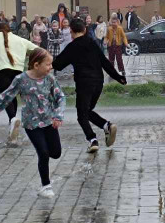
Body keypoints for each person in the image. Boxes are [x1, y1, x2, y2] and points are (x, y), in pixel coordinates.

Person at [0, 48, 65, 199]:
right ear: (36, 65)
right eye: (48, 64)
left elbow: (61, 97)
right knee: (43, 153)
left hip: (49, 121)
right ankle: (46, 186)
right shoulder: (21, 79)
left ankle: (46, 180)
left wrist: (58, 116)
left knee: (56, 153)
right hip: (31, 124)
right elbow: (6, 96)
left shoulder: (50, 79)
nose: (50, 67)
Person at [53, 17, 127, 153]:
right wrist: (118, 77)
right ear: (85, 30)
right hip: (98, 82)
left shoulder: (72, 47)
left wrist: (48, 59)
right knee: (86, 111)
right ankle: (106, 126)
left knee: (82, 115)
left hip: (84, 83)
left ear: (71, 32)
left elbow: (57, 64)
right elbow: (105, 62)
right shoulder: (92, 43)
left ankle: (93, 140)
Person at [0, 21, 40, 145]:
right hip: (18, 71)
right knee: (14, 95)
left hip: (2, 71)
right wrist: (27, 55)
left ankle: (12, 119)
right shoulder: (19, 39)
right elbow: (37, 50)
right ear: (10, 29)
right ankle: (14, 122)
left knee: (7, 97)